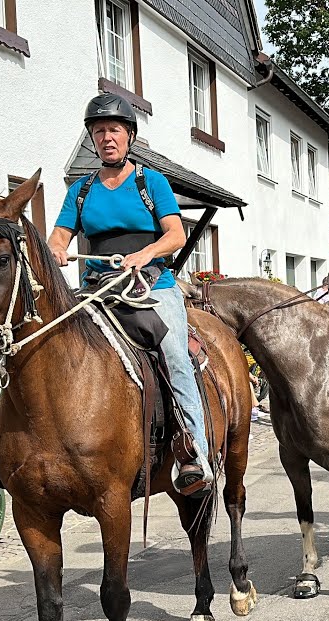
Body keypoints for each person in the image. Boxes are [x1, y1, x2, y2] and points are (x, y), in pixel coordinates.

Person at [47, 92, 212, 496]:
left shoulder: (149, 182)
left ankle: (195, 452)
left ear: (129, 137)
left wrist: (145, 253)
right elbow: (59, 236)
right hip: (97, 290)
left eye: (114, 130)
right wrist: (55, 251)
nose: (106, 137)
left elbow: (175, 235)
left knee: (174, 354)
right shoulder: (81, 191)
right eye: (99, 131)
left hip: (151, 286)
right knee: (47, 343)